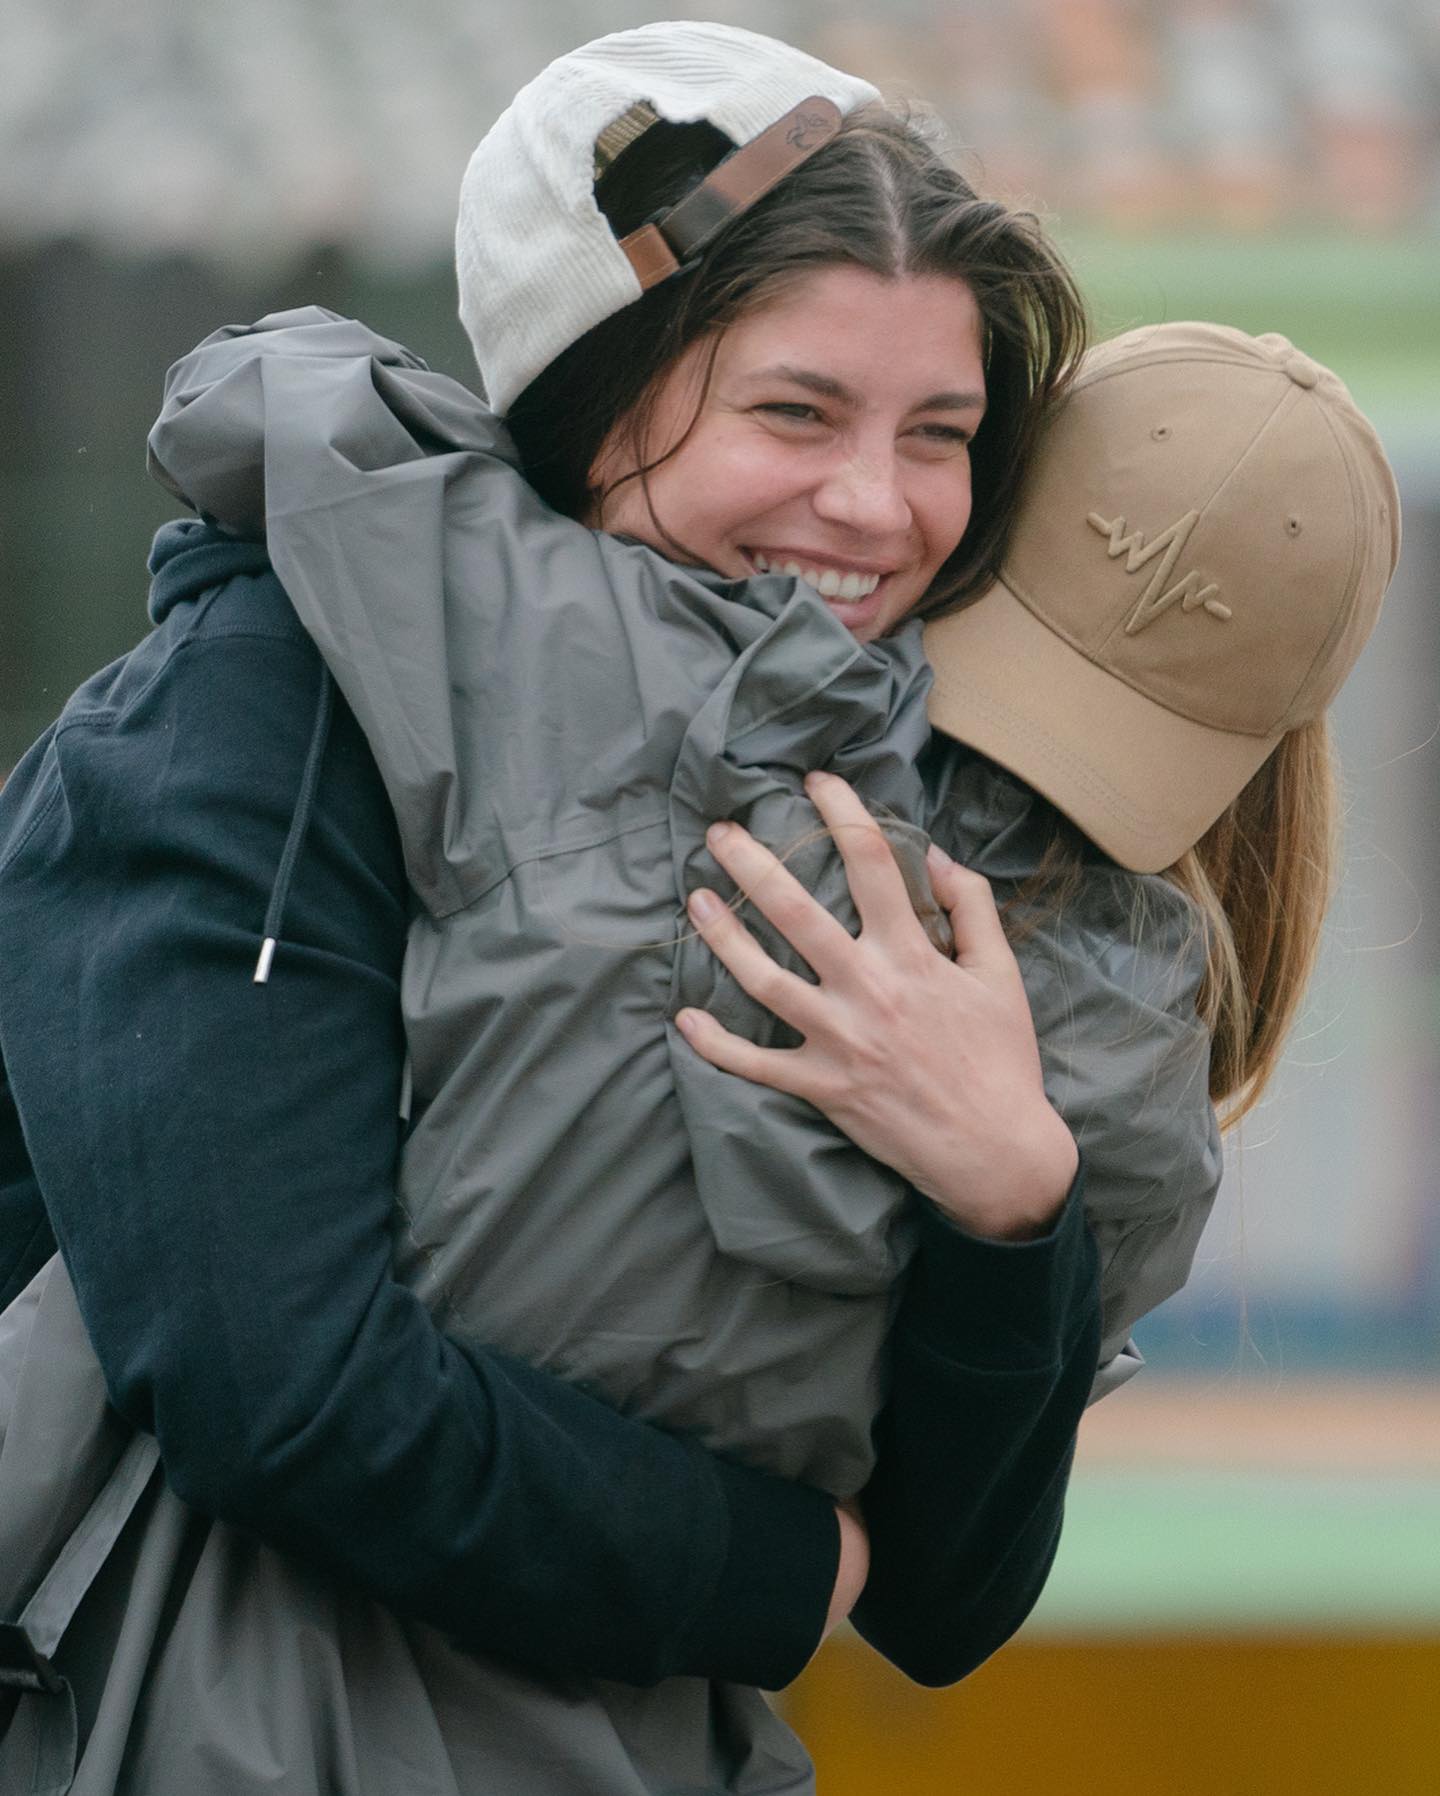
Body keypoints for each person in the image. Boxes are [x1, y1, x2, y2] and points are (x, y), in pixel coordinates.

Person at [0, 20, 1396, 1796]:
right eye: (794, 412)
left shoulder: (876, 816)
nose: (875, 506)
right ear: (596, 384)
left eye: (943, 435)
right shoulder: (262, 703)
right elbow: (275, 1381)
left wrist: (1009, 1197)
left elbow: (954, 1596)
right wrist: (778, 1567)